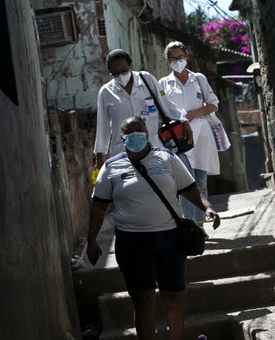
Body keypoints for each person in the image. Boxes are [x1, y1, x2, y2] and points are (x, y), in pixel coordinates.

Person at [87, 117, 221, 340]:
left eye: (139, 130)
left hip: (170, 239)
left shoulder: (166, 158)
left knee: (174, 296)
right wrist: (91, 241)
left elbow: (189, 188)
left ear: (147, 133)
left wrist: (208, 207)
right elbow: (99, 206)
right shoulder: (112, 166)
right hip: (132, 243)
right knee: (142, 299)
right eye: (129, 132)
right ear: (122, 138)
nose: (135, 135)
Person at [93, 49, 193, 171]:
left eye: (124, 70)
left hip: (152, 145)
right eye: (115, 73)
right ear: (110, 73)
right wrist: (99, 156)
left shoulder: (146, 79)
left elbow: (166, 104)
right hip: (122, 151)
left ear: (130, 66)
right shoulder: (105, 92)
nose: (121, 75)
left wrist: (183, 121)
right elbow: (103, 126)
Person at [159, 41, 222, 226]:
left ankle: (200, 225)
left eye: (180, 57)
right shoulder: (163, 83)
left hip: (202, 135)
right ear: (167, 60)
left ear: (186, 56)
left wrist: (197, 112)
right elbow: (162, 111)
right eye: (173, 58)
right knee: (185, 182)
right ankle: (189, 225)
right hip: (179, 139)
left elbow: (213, 104)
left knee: (201, 180)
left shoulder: (199, 79)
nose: (177, 61)